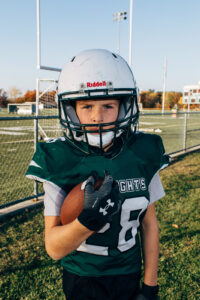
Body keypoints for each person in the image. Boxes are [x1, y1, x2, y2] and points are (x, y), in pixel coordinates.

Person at [26, 49, 170, 300]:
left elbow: (149, 225)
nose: (97, 116)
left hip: (129, 273)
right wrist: (88, 222)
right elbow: (53, 248)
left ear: (124, 107)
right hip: (82, 278)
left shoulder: (141, 153)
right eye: (87, 106)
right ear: (71, 110)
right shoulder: (60, 158)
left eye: (108, 106)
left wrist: (150, 287)